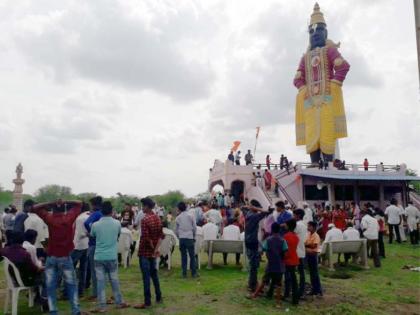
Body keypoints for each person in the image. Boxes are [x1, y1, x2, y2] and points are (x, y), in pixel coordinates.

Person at [32, 200, 88, 315]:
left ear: (53, 210)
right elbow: (79, 204)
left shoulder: (49, 218)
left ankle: (53, 311)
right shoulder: (69, 218)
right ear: (65, 209)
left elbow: (35, 207)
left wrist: (51, 202)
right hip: (65, 257)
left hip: (52, 257)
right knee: (71, 285)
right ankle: (75, 311)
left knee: (51, 286)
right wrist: (66, 201)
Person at [90, 201, 129, 313]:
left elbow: (92, 235)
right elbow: (117, 234)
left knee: (100, 282)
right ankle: (119, 302)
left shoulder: (95, 225)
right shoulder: (117, 223)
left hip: (99, 256)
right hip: (112, 256)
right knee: (114, 280)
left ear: (101, 211)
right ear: (112, 211)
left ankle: (102, 306)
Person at [0, 231, 46, 309]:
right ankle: (43, 299)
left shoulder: (5, 251)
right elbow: (34, 269)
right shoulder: (24, 254)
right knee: (44, 276)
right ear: (22, 240)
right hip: (25, 280)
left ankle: (37, 296)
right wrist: (42, 268)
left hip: (12, 279)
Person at [134, 197, 163, 309]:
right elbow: (161, 235)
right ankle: (159, 297)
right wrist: (156, 250)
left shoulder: (145, 220)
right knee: (154, 275)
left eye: (143, 206)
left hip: (145, 252)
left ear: (146, 206)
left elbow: (146, 238)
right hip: (153, 252)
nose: (142, 208)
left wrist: (153, 249)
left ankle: (147, 302)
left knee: (146, 277)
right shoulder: (157, 218)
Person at [250, 222, 287, 308]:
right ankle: (278, 302)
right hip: (280, 265)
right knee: (279, 284)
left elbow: (263, 250)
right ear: (279, 230)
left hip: (270, 264)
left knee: (264, 280)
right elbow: (285, 252)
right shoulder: (283, 240)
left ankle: (254, 295)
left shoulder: (268, 240)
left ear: (272, 229)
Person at [244, 202, 270, 292]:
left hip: (249, 241)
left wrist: (253, 208)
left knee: (253, 265)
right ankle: (253, 285)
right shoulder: (253, 216)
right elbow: (267, 212)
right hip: (252, 242)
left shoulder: (249, 214)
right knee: (254, 266)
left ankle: (252, 283)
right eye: (258, 208)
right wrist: (256, 208)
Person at [84, 196, 103, 299]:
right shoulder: (102, 214)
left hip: (93, 244)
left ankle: (95, 293)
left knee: (94, 270)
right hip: (102, 244)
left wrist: (90, 232)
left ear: (94, 205)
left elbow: (86, 223)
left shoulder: (95, 214)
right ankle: (100, 291)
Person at [72, 202, 90, 297]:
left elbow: (79, 233)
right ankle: (81, 290)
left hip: (78, 246)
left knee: (70, 268)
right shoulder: (89, 216)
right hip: (86, 245)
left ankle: (67, 291)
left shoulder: (80, 218)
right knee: (83, 269)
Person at [175, 201, 197, 278]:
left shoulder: (178, 218)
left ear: (179, 208)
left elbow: (176, 230)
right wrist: (194, 237)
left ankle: (184, 273)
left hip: (182, 238)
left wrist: (179, 236)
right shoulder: (190, 216)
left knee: (183, 256)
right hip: (189, 237)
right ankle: (193, 273)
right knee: (192, 256)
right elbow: (194, 227)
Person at [283, 219, 300, 305]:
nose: (284, 226)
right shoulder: (296, 236)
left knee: (287, 278)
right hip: (294, 259)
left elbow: (285, 249)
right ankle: (295, 299)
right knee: (294, 280)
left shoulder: (286, 236)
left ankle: (286, 294)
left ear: (288, 226)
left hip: (287, 259)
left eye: (285, 224)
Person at [305, 221, 322, 296]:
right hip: (309, 254)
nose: (308, 228)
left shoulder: (316, 236)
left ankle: (318, 289)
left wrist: (307, 246)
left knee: (314, 273)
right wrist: (307, 245)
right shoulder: (308, 234)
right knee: (312, 273)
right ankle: (314, 289)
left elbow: (314, 246)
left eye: (309, 226)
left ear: (313, 227)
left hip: (313, 255)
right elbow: (305, 243)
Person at [293, 209, 307, 299]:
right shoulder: (304, 225)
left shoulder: (297, 225)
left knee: (293, 272)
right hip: (301, 251)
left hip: (296, 251)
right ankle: (301, 290)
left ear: (297, 216)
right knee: (301, 272)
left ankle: (296, 290)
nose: (293, 217)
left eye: (294, 215)